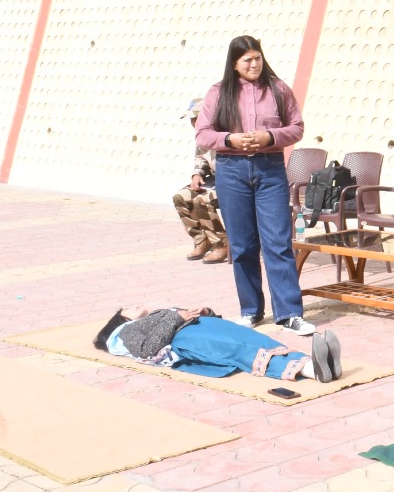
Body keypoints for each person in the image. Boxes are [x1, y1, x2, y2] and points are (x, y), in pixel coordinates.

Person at [194, 35, 314, 336]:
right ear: (234, 63)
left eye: (257, 57)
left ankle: (289, 314)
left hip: (269, 170)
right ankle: (251, 310)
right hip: (231, 172)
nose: (254, 64)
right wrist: (230, 139)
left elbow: (297, 127)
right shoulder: (218, 93)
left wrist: (269, 137)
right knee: (242, 245)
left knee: (278, 242)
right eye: (246, 59)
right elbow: (203, 134)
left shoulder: (278, 89)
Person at [93, 306, 344, 382]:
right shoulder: (126, 333)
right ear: (122, 320)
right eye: (128, 309)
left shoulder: (156, 313)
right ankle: (311, 370)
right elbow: (147, 349)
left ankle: (321, 364)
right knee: (242, 352)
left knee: (260, 341)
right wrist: (177, 317)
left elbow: (179, 318)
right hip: (187, 338)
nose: (135, 306)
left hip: (204, 326)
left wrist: (205, 312)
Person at [173, 98, 228, 263]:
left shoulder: (225, 133)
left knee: (202, 201)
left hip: (231, 183)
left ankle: (221, 244)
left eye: (196, 118)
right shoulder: (202, 136)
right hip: (214, 181)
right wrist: (196, 175)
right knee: (180, 197)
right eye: (191, 119)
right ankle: (202, 240)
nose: (193, 122)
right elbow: (201, 158)